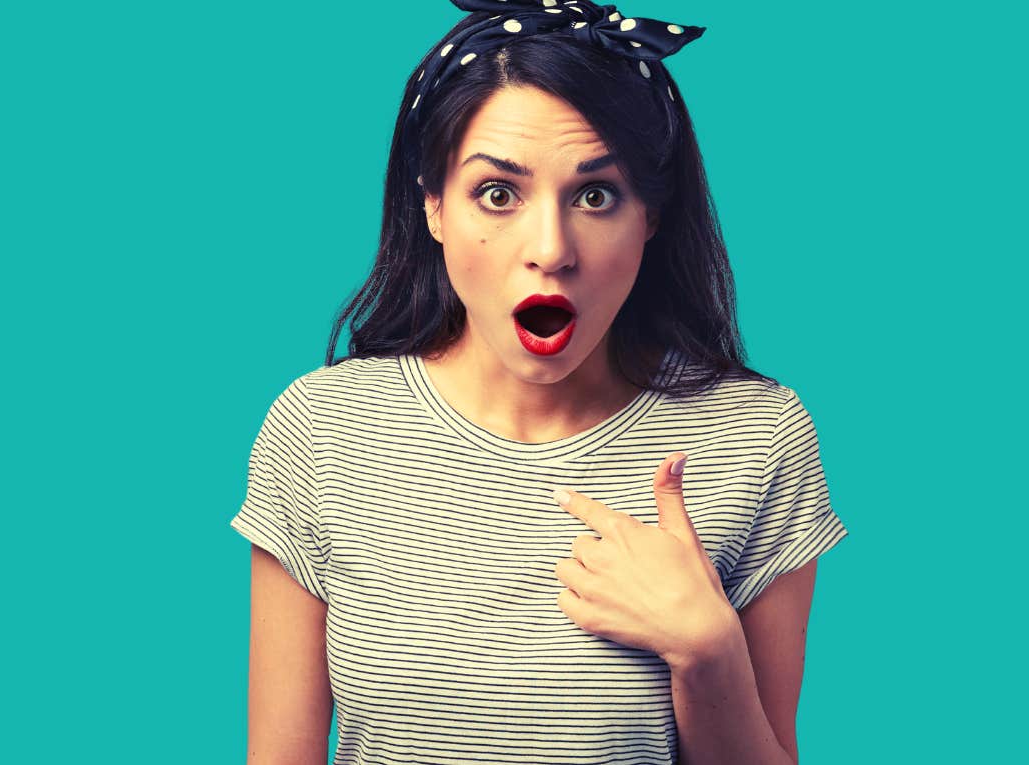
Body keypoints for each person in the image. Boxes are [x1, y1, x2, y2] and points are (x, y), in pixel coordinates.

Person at [229, 2, 849, 763]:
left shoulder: (756, 436)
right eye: (497, 193)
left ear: (651, 214)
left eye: (596, 195)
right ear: (432, 205)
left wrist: (708, 651)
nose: (550, 249)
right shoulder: (320, 431)